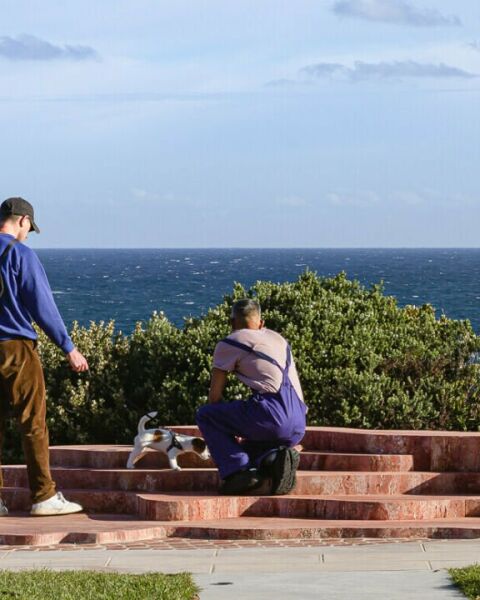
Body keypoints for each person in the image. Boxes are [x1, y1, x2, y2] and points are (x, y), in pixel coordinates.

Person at [0, 197, 89, 517]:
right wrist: (68, 347)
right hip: (16, 348)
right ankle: (43, 495)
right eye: (29, 228)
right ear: (22, 220)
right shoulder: (20, 254)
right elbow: (42, 306)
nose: (28, 234)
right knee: (33, 421)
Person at [196, 298, 307, 495]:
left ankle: (238, 472)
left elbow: (214, 397)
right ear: (261, 323)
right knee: (250, 444)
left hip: (271, 414)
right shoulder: (279, 339)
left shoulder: (230, 342)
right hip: (298, 422)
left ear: (232, 323)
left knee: (206, 415)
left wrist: (231, 428)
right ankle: (274, 458)